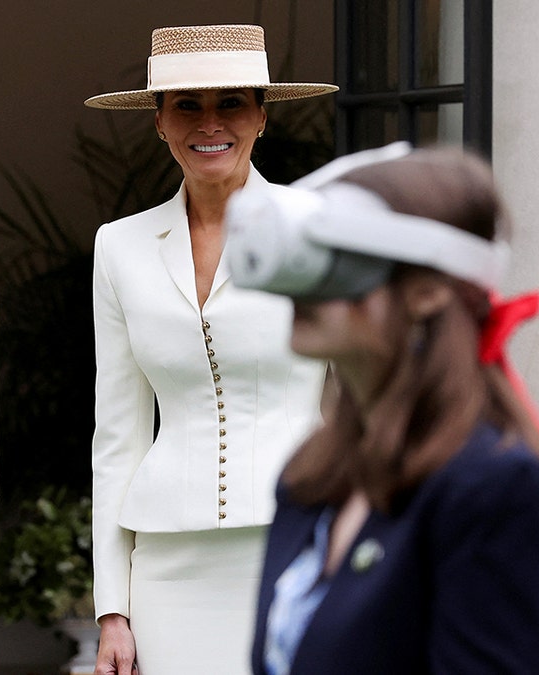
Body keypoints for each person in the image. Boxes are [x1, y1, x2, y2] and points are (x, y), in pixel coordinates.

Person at [225, 143, 539, 673]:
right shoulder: (310, 481)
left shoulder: (496, 491)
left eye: (344, 260)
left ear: (427, 292)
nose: (306, 287)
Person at [82, 24, 337, 675]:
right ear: (160, 121)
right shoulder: (119, 247)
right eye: (187, 105)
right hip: (168, 569)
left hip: (298, 543)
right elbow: (118, 436)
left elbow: (362, 408)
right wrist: (113, 608)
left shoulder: (318, 229)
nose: (209, 122)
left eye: (231, 102)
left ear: (261, 115)